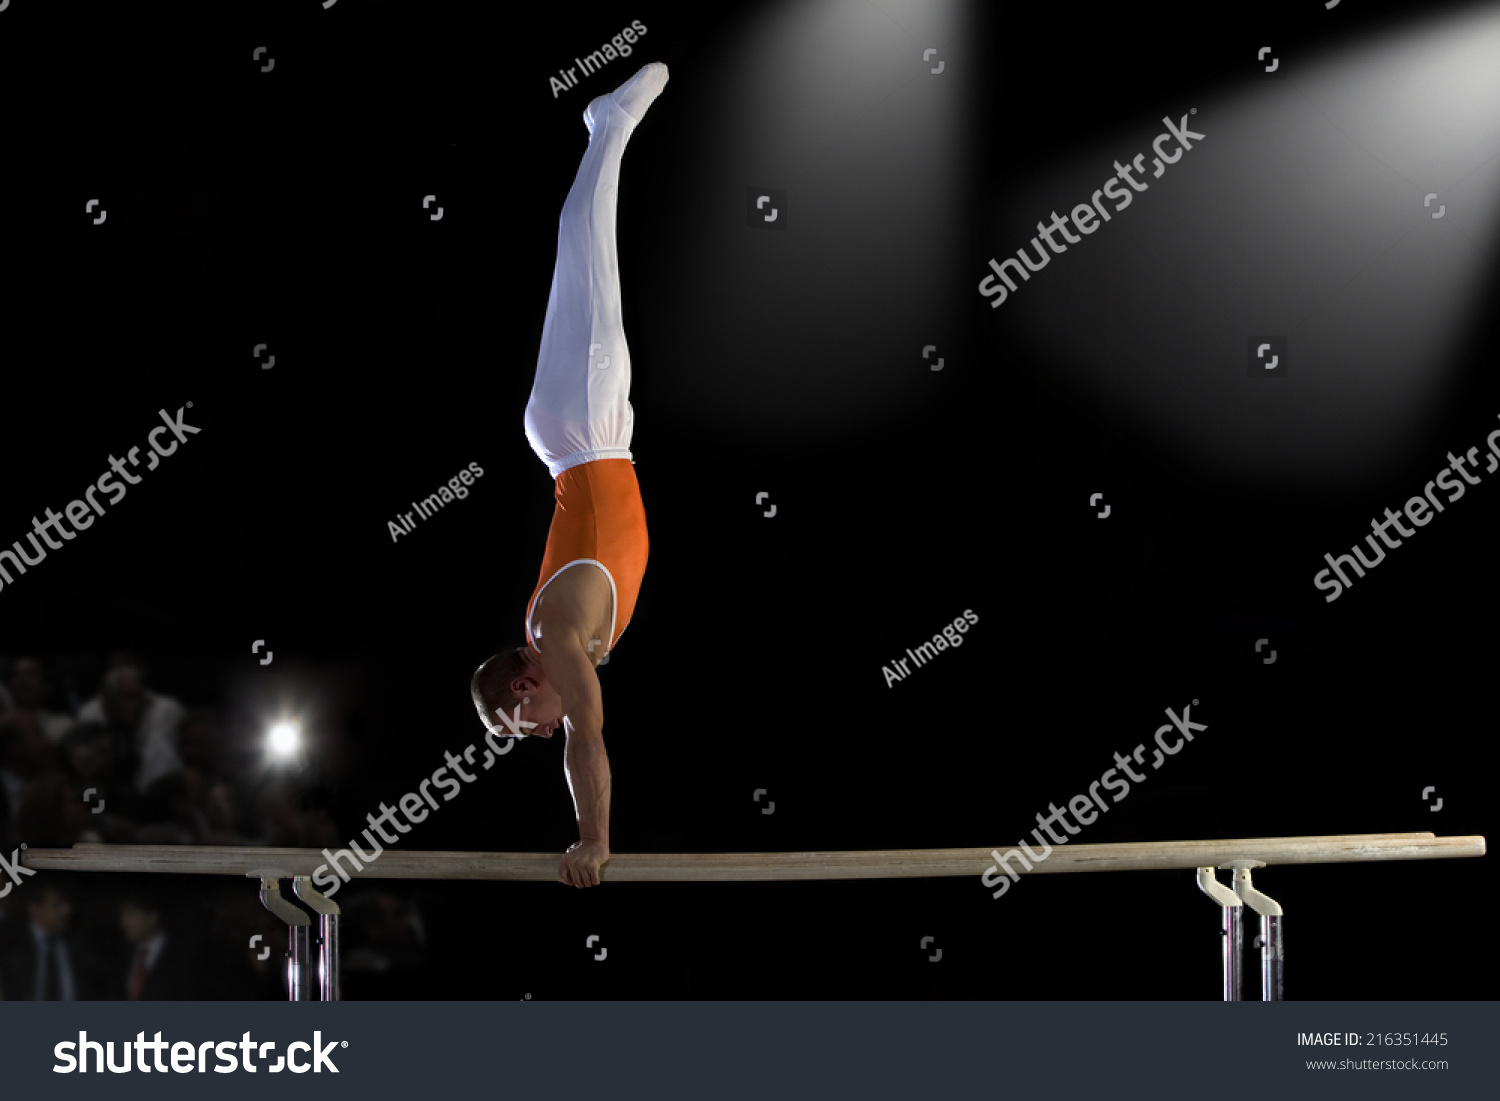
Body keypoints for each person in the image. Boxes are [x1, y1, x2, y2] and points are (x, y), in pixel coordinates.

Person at [470, 62, 668, 889]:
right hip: (593, 435)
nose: (541, 730)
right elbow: (575, 727)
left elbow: (586, 737)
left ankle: (607, 125)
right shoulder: (570, 642)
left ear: (527, 677)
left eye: (524, 719)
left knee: (590, 257)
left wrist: (593, 837)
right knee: (593, 265)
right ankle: (607, 131)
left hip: (580, 428)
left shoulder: (555, 639)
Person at [77, 662, 183, 793]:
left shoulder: (159, 748)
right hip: (103, 801)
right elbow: (89, 788)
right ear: (109, 701)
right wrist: (97, 810)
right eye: (130, 697)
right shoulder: (89, 721)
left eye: (141, 698)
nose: (138, 705)